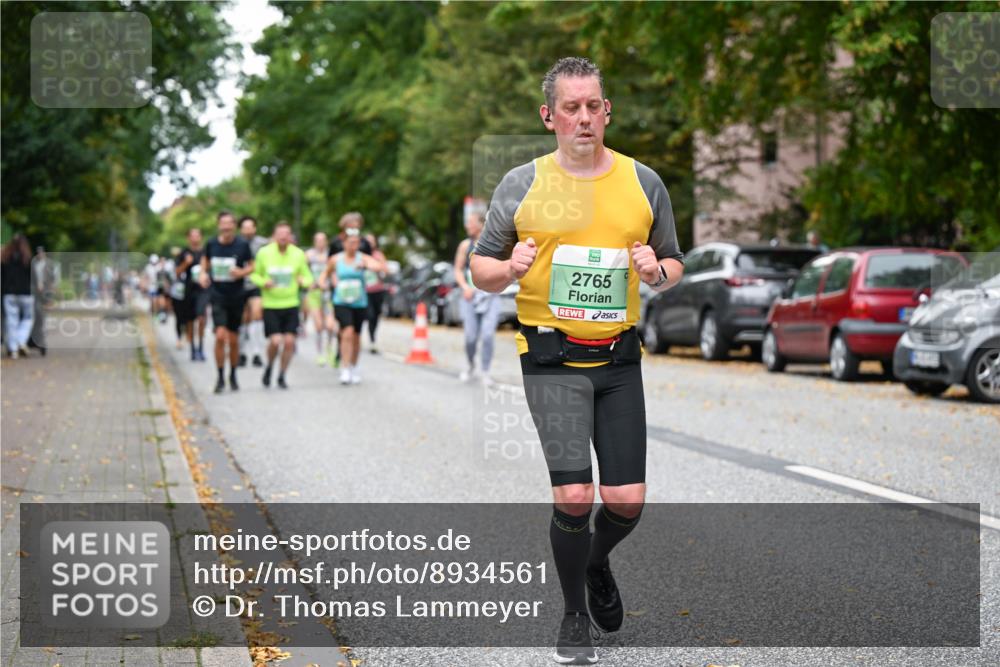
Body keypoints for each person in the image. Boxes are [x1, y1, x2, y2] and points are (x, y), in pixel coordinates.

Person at [470, 57, 684, 665]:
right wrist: (508, 270)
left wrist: (656, 272)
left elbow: (673, 262)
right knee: (573, 496)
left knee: (626, 500)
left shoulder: (644, 182)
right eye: (572, 107)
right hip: (550, 359)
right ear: (549, 116)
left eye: (594, 106)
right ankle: (572, 616)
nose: (584, 117)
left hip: (618, 362)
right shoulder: (521, 183)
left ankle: (595, 562)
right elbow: (479, 269)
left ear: (606, 111)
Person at [320, 225, 387, 385]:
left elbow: (380, 267)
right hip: (341, 301)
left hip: (359, 302)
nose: (353, 246)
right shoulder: (336, 259)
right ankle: (344, 368)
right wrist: (323, 284)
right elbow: (324, 275)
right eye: (350, 242)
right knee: (347, 332)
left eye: (356, 243)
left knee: (356, 336)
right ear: (344, 243)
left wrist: (367, 266)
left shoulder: (362, 258)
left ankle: (354, 365)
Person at [250, 221, 313, 389]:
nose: (283, 237)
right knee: (276, 341)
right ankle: (270, 366)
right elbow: (254, 275)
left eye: (286, 234)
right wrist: (264, 282)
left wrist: (303, 281)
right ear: (275, 236)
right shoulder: (264, 253)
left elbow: (308, 277)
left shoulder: (298, 254)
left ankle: (282, 374)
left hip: (291, 304)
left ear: (290, 236)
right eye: (280, 234)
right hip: (271, 304)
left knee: (290, 342)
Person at [199, 211, 254, 393]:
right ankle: (221, 376)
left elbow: (253, 266)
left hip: (237, 296)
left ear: (234, 226)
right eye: (223, 223)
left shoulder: (242, 245)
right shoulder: (212, 244)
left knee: (234, 339)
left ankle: (233, 374)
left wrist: (241, 273)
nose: (226, 227)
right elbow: (204, 262)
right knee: (220, 336)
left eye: (230, 223)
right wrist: (203, 274)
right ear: (219, 225)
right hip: (218, 295)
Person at [453, 212, 500, 384]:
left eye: (470, 223)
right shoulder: (465, 246)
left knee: (488, 334)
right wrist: (465, 287)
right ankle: (470, 364)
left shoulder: (495, 244)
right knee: (470, 337)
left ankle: (485, 371)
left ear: (481, 225)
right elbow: (457, 269)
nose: (467, 226)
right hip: (469, 296)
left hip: (491, 296)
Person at [238, 215, 269, 368]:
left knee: (257, 314)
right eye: (245, 227)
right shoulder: (236, 244)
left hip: (257, 284)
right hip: (240, 285)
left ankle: (257, 353)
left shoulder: (263, 244)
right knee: (244, 318)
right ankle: (242, 352)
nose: (248, 230)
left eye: (251, 227)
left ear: (255, 228)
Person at [304, 232, 337, 365]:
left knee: (330, 326)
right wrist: (309, 283)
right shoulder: (309, 255)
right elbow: (302, 272)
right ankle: (320, 353)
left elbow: (335, 272)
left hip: (328, 293)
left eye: (322, 240)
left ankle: (329, 347)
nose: (320, 243)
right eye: (317, 240)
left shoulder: (331, 256)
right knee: (318, 326)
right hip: (314, 294)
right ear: (314, 242)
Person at [175, 228, 208, 361]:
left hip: (203, 289)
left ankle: (200, 347)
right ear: (188, 238)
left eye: (197, 236)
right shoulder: (183, 253)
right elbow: (177, 272)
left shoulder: (205, 252)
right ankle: (193, 348)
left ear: (201, 237)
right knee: (190, 321)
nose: (195, 238)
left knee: (201, 318)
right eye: (192, 236)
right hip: (188, 290)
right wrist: (185, 263)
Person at [1, 234, 35, 359]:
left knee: (11, 321)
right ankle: (21, 341)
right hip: (25, 293)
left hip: (9, 294)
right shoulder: (28, 259)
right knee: (28, 318)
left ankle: (13, 349)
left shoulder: (4, 258)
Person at [362, 232, 388, 354]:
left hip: (377, 290)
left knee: (375, 316)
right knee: (369, 314)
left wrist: (379, 266)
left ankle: (372, 339)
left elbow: (385, 270)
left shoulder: (378, 255)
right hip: (364, 291)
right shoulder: (360, 256)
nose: (370, 244)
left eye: (372, 241)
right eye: (368, 241)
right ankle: (358, 335)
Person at [29, 245, 55, 356]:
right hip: (34, 291)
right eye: (38, 253)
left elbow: (52, 278)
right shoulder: (33, 263)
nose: (40, 255)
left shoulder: (49, 263)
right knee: (36, 313)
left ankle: (39, 337)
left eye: (41, 253)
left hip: (46, 291)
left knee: (42, 315)